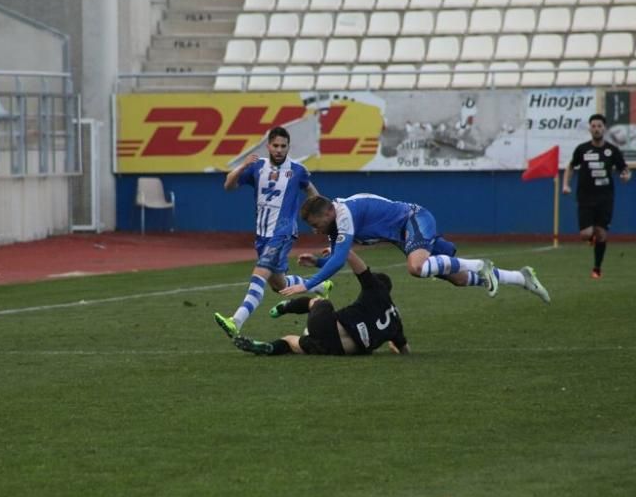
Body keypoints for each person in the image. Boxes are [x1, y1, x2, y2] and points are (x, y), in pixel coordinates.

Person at [281, 194, 550, 304]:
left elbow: (339, 259)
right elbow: (339, 258)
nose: (316, 230)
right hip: (404, 236)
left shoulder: (344, 215)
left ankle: (480, 264)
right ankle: (521, 277)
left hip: (414, 221)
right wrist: (317, 263)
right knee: (457, 279)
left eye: (317, 224)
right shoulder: (335, 225)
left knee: (417, 268)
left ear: (328, 211)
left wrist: (308, 285)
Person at [214, 126, 331, 338]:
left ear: (288, 147)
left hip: (283, 231)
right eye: (275, 145)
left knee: (260, 272)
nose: (279, 150)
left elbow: (312, 192)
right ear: (268, 146)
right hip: (262, 234)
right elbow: (228, 186)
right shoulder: (256, 167)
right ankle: (320, 286)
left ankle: (236, 321)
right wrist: (242, 166)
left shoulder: (297, 170)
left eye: (283, 146)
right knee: (279, 284)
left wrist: (319, 219)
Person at [233, 249, 410, 356]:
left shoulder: (374, 289)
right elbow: (404, 348)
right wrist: (395, 347)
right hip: (341, 351)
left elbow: (361, 269)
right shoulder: (396, 321)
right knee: (292, 342)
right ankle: (270, 347)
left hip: (328, 327)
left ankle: (286, 306)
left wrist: (341, 250)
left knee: (320, 303)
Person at [562, 113, 631, 279]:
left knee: (601, 234)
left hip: (605, 198)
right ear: (590, 128)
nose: (596, 129)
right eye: (593, 126)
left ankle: (597, 268)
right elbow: (571, 166)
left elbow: (625, 169)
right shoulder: (582, 149)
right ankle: (591, 240)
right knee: (586, 234)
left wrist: (626, 176)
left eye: (599, 126)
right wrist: (565, 184)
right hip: (585, 197)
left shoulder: (612, 151)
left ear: (604, 128)